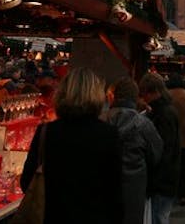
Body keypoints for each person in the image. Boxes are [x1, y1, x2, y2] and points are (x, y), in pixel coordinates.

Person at [20, 67, 123, 223]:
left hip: (52, 216)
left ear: (62, 94)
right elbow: (115, 190)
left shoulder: (46, 132)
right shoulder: (109, 135)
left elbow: (27, 181)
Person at [104, 76, 163, 224]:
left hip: (106, 186)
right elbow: (156, 154)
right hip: (134, 190)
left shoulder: (103, 121)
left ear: (113, 96)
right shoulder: (144, 125)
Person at [139, 72, 181, 224]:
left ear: (154, 92)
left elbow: (164, 151)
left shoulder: (163, 114)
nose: (143, 98)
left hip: (162, 181)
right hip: (166, 179)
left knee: (159, 217)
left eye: (145, 93)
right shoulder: (164, 110)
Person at [167, 72, 185, 205]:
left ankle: (173, 191)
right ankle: (184, 194)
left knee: (172, 165)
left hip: (171, 135)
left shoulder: (167, 95)